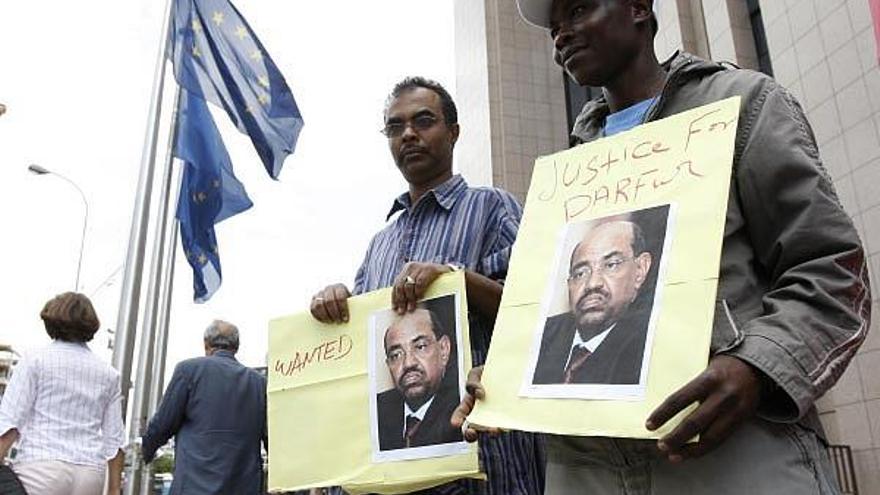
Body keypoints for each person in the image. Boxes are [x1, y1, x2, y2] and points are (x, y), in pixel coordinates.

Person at [454, 0, 872, 493]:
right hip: (585, 468)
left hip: (728, 451)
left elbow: (830, 269)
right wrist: (505, 379)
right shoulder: (571, 166)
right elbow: (554, 315)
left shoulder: (741, 103)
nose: (561, 34)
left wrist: (759, 366)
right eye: (554, 25)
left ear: (637, 8)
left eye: (579, 10)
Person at [311, 76, 545, 494]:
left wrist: (457, 278)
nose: (409, 135)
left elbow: (536, 310)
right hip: (394, 467)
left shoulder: (492, 207)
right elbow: (366, 352)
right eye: (395, 127)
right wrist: (338, 307)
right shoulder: (379, 243)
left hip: (480, 460)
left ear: (453, 132)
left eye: (423, 121)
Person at [0, 292, 125, 495]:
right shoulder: (109, 374)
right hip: (90, 473)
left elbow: (9, 424)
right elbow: (115, 441)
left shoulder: (35, 360)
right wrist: (114, 489)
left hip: (41, 467)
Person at [142, 320, 267, 495]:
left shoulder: (188, 371)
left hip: (193, 486)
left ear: (206, 345)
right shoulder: (259, 383)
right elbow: (271, 440)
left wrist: (146, 451)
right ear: (236, 347)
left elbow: (163, 424)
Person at [533, 220, 652, 385]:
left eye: (611, 265)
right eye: (580, 273)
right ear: (569, 284)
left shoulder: (652, 345)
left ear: (640, 270)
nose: (592, 284)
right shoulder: (543, 335)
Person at [378, 307, 462, 450]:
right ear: (388, 365)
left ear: (444, 349)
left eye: (420, 346)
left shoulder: (463, 404)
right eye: (396, 355)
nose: (408, 363)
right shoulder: (379, 410)